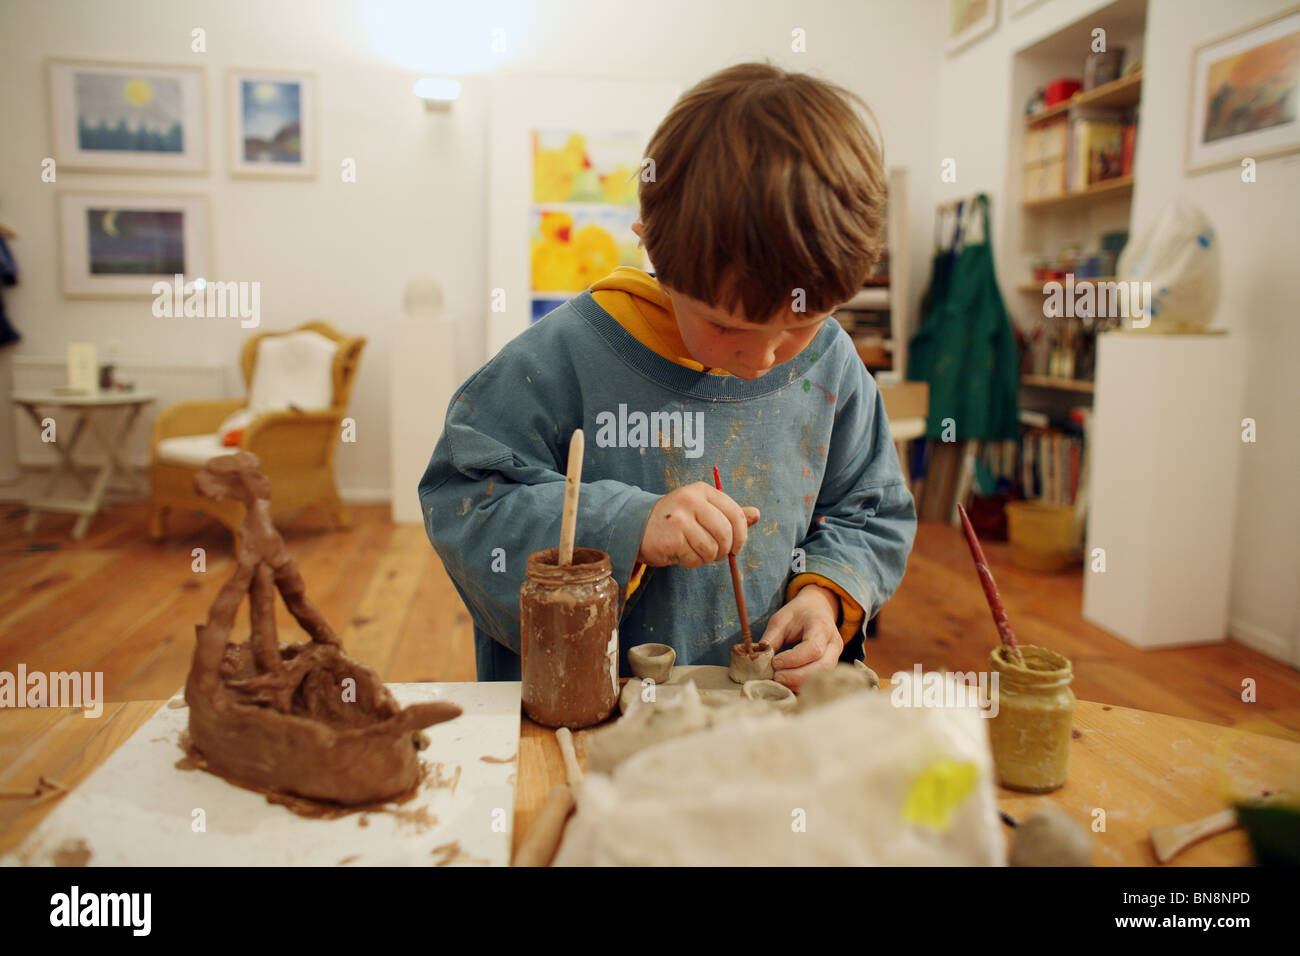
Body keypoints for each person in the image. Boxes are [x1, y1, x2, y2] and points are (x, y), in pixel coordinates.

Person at [420, 62, 916, 690]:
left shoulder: (834, 363)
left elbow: (870, 511)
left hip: (765, 725)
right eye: (727, 326)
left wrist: (826, 595)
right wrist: (628, 525)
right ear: (652, 245)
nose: (764, 358)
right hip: (588, 719)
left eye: (804, 322)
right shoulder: (561, 357)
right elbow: (465, 505)